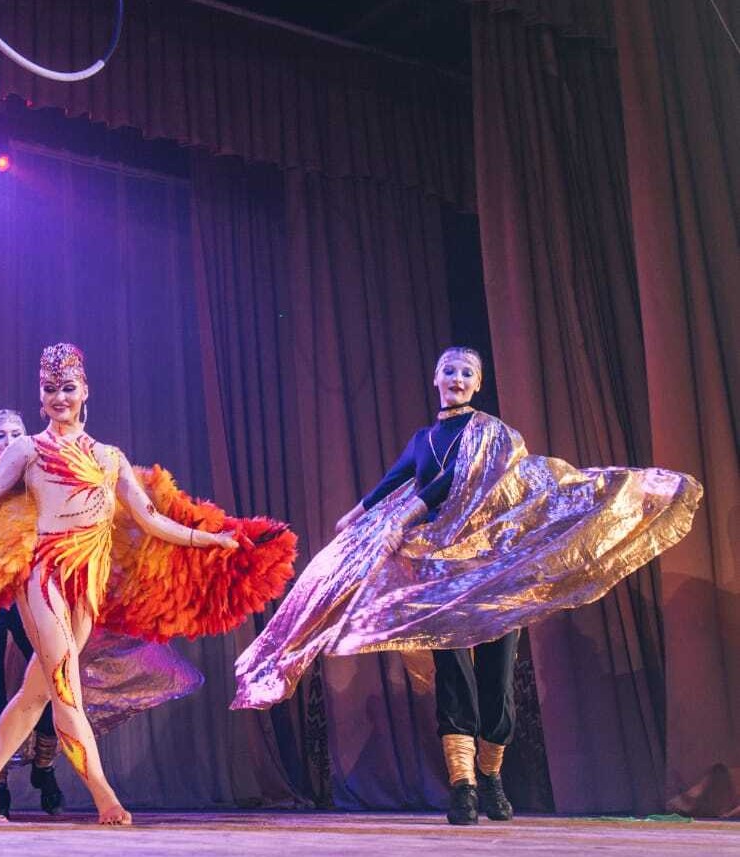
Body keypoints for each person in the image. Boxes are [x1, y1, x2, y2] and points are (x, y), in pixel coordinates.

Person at [231, 346, 702, 826]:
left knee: (497, 682)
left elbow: (453, 481)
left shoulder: (492, 434)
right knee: (454, 677)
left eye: (467, 373)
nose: (457, 378)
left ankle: (491, 778)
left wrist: (404, 518)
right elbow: (395, 481)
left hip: (492, 572)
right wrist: (354, 518)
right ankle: (464, 787)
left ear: (478, 384)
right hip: (440, 575)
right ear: (436, 378)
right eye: (450, 370)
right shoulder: (423, 439)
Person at [0, 343, 296, 824]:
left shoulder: (110, 457)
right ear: (40, 397)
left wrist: (211, 539)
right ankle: (104, 794)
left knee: (36, 692)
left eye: (67, 388)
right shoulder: (27, 450)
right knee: (65, 688)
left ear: (85, 391)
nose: (59, 397)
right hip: (45, 574)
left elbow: (152, 519)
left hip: (88, 581)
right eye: (49, 389)